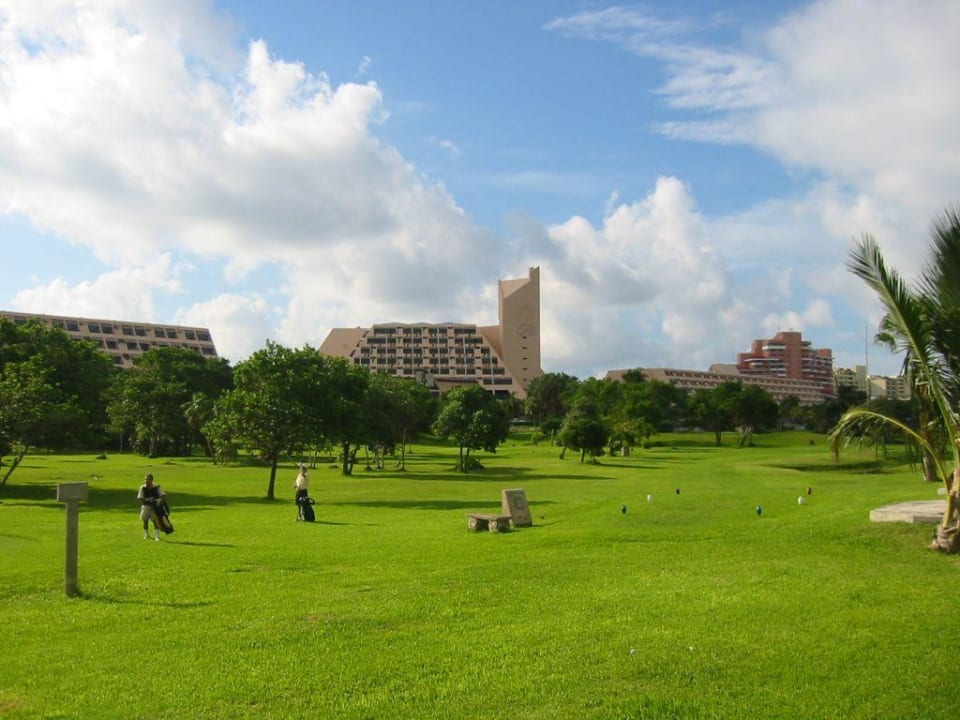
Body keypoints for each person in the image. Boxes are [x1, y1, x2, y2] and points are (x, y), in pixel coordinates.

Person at [137, 473, 165, 540]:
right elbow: (139, 497)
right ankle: (146, 534)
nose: (146, 481)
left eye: (147, 479)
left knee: (155, 521)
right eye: (145, 479)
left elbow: (163, 496)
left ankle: (156, 536)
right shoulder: (142, 487)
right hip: (146, 506)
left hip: (154, 506)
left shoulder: (157, 487)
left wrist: (157, 501)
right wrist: (147, 500)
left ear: (152, 480)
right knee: (145, 521)